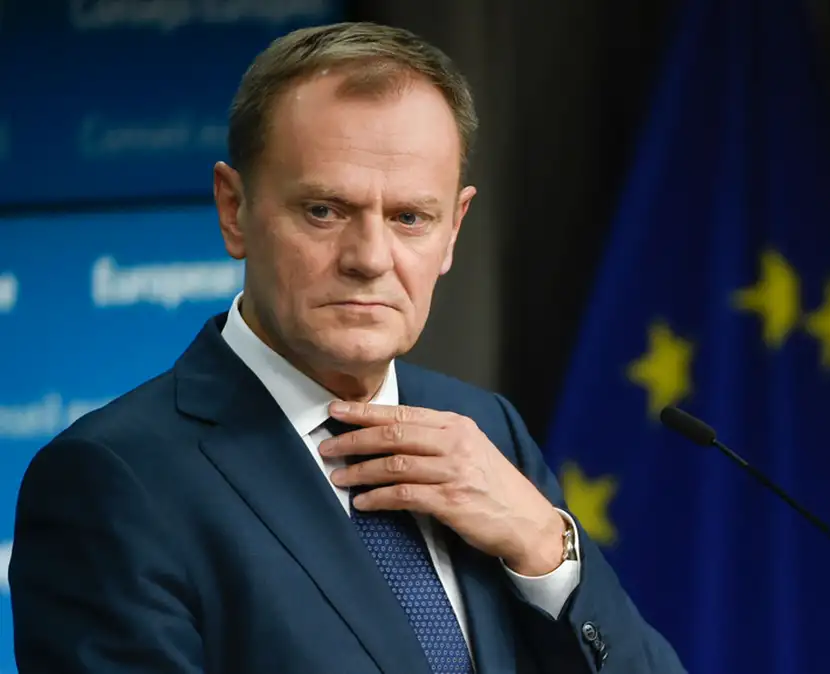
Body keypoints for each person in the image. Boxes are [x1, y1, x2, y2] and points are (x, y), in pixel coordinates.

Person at [8, 21, 685, 674]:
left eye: (410, 218)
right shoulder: (113, 482)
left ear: (453, 230)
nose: (369, 258)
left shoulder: (486, 430)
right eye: (324, 211)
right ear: (233, 210)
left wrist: (544, 547)